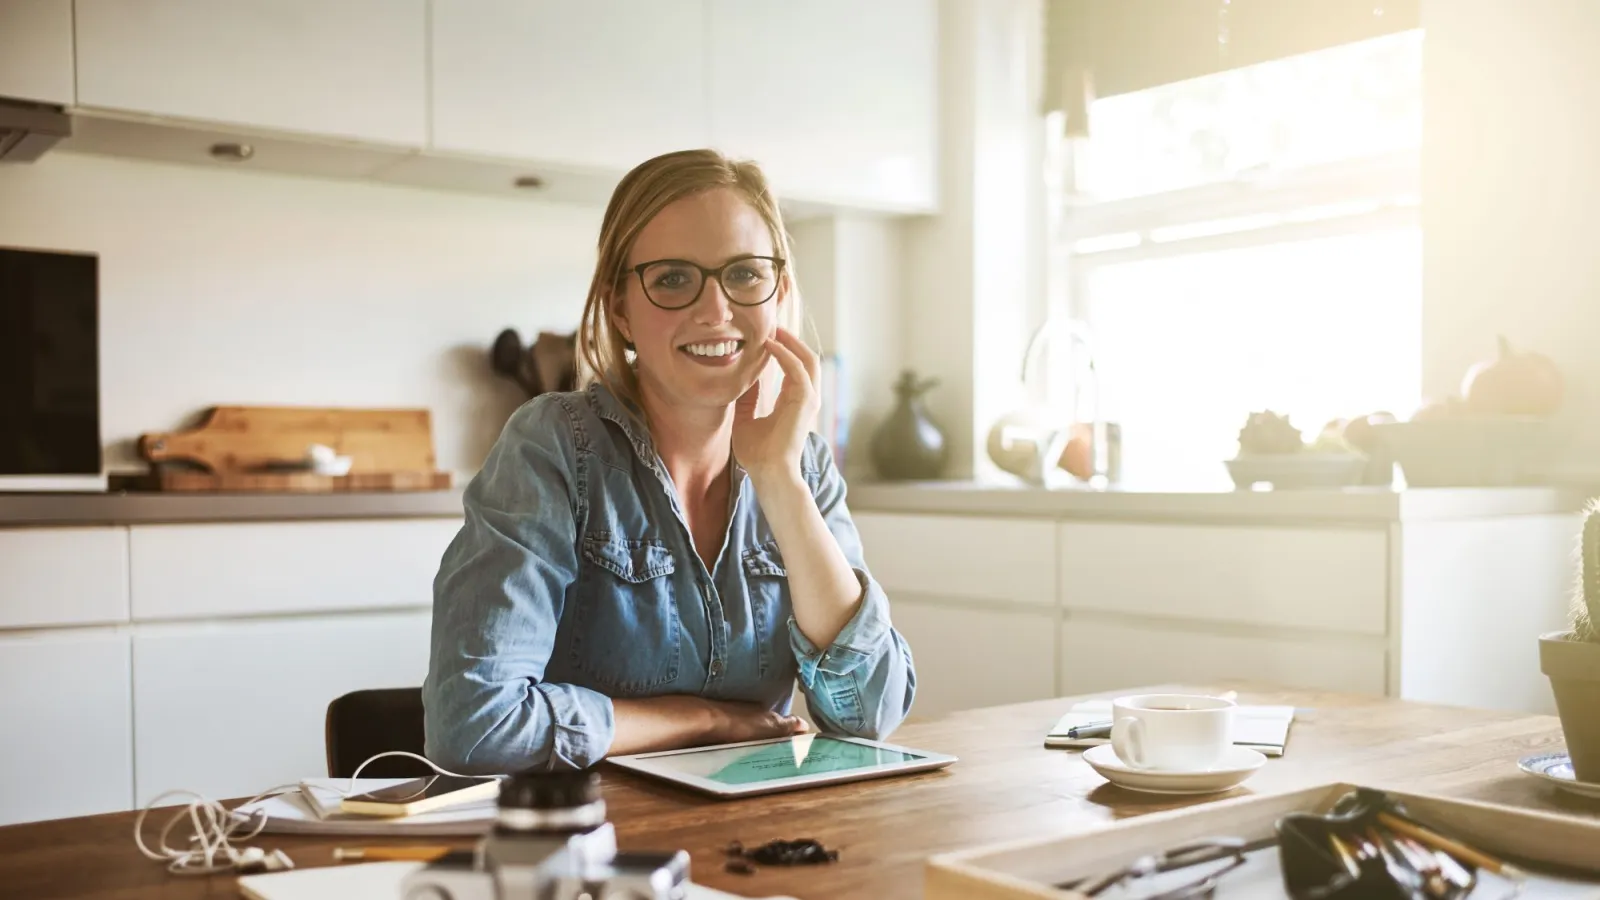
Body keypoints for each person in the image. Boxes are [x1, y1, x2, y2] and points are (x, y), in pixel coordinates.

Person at [423, 149, 917, 773]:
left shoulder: (802, 463)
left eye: (743, 274)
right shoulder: (553, 445)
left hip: (755, 842)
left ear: (779, 291)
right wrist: (700, 720)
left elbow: (871, 713)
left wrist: (780, 481)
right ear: (621, 307)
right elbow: (473, 728)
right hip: (585, 846)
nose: (715, 311)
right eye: (673, 279)